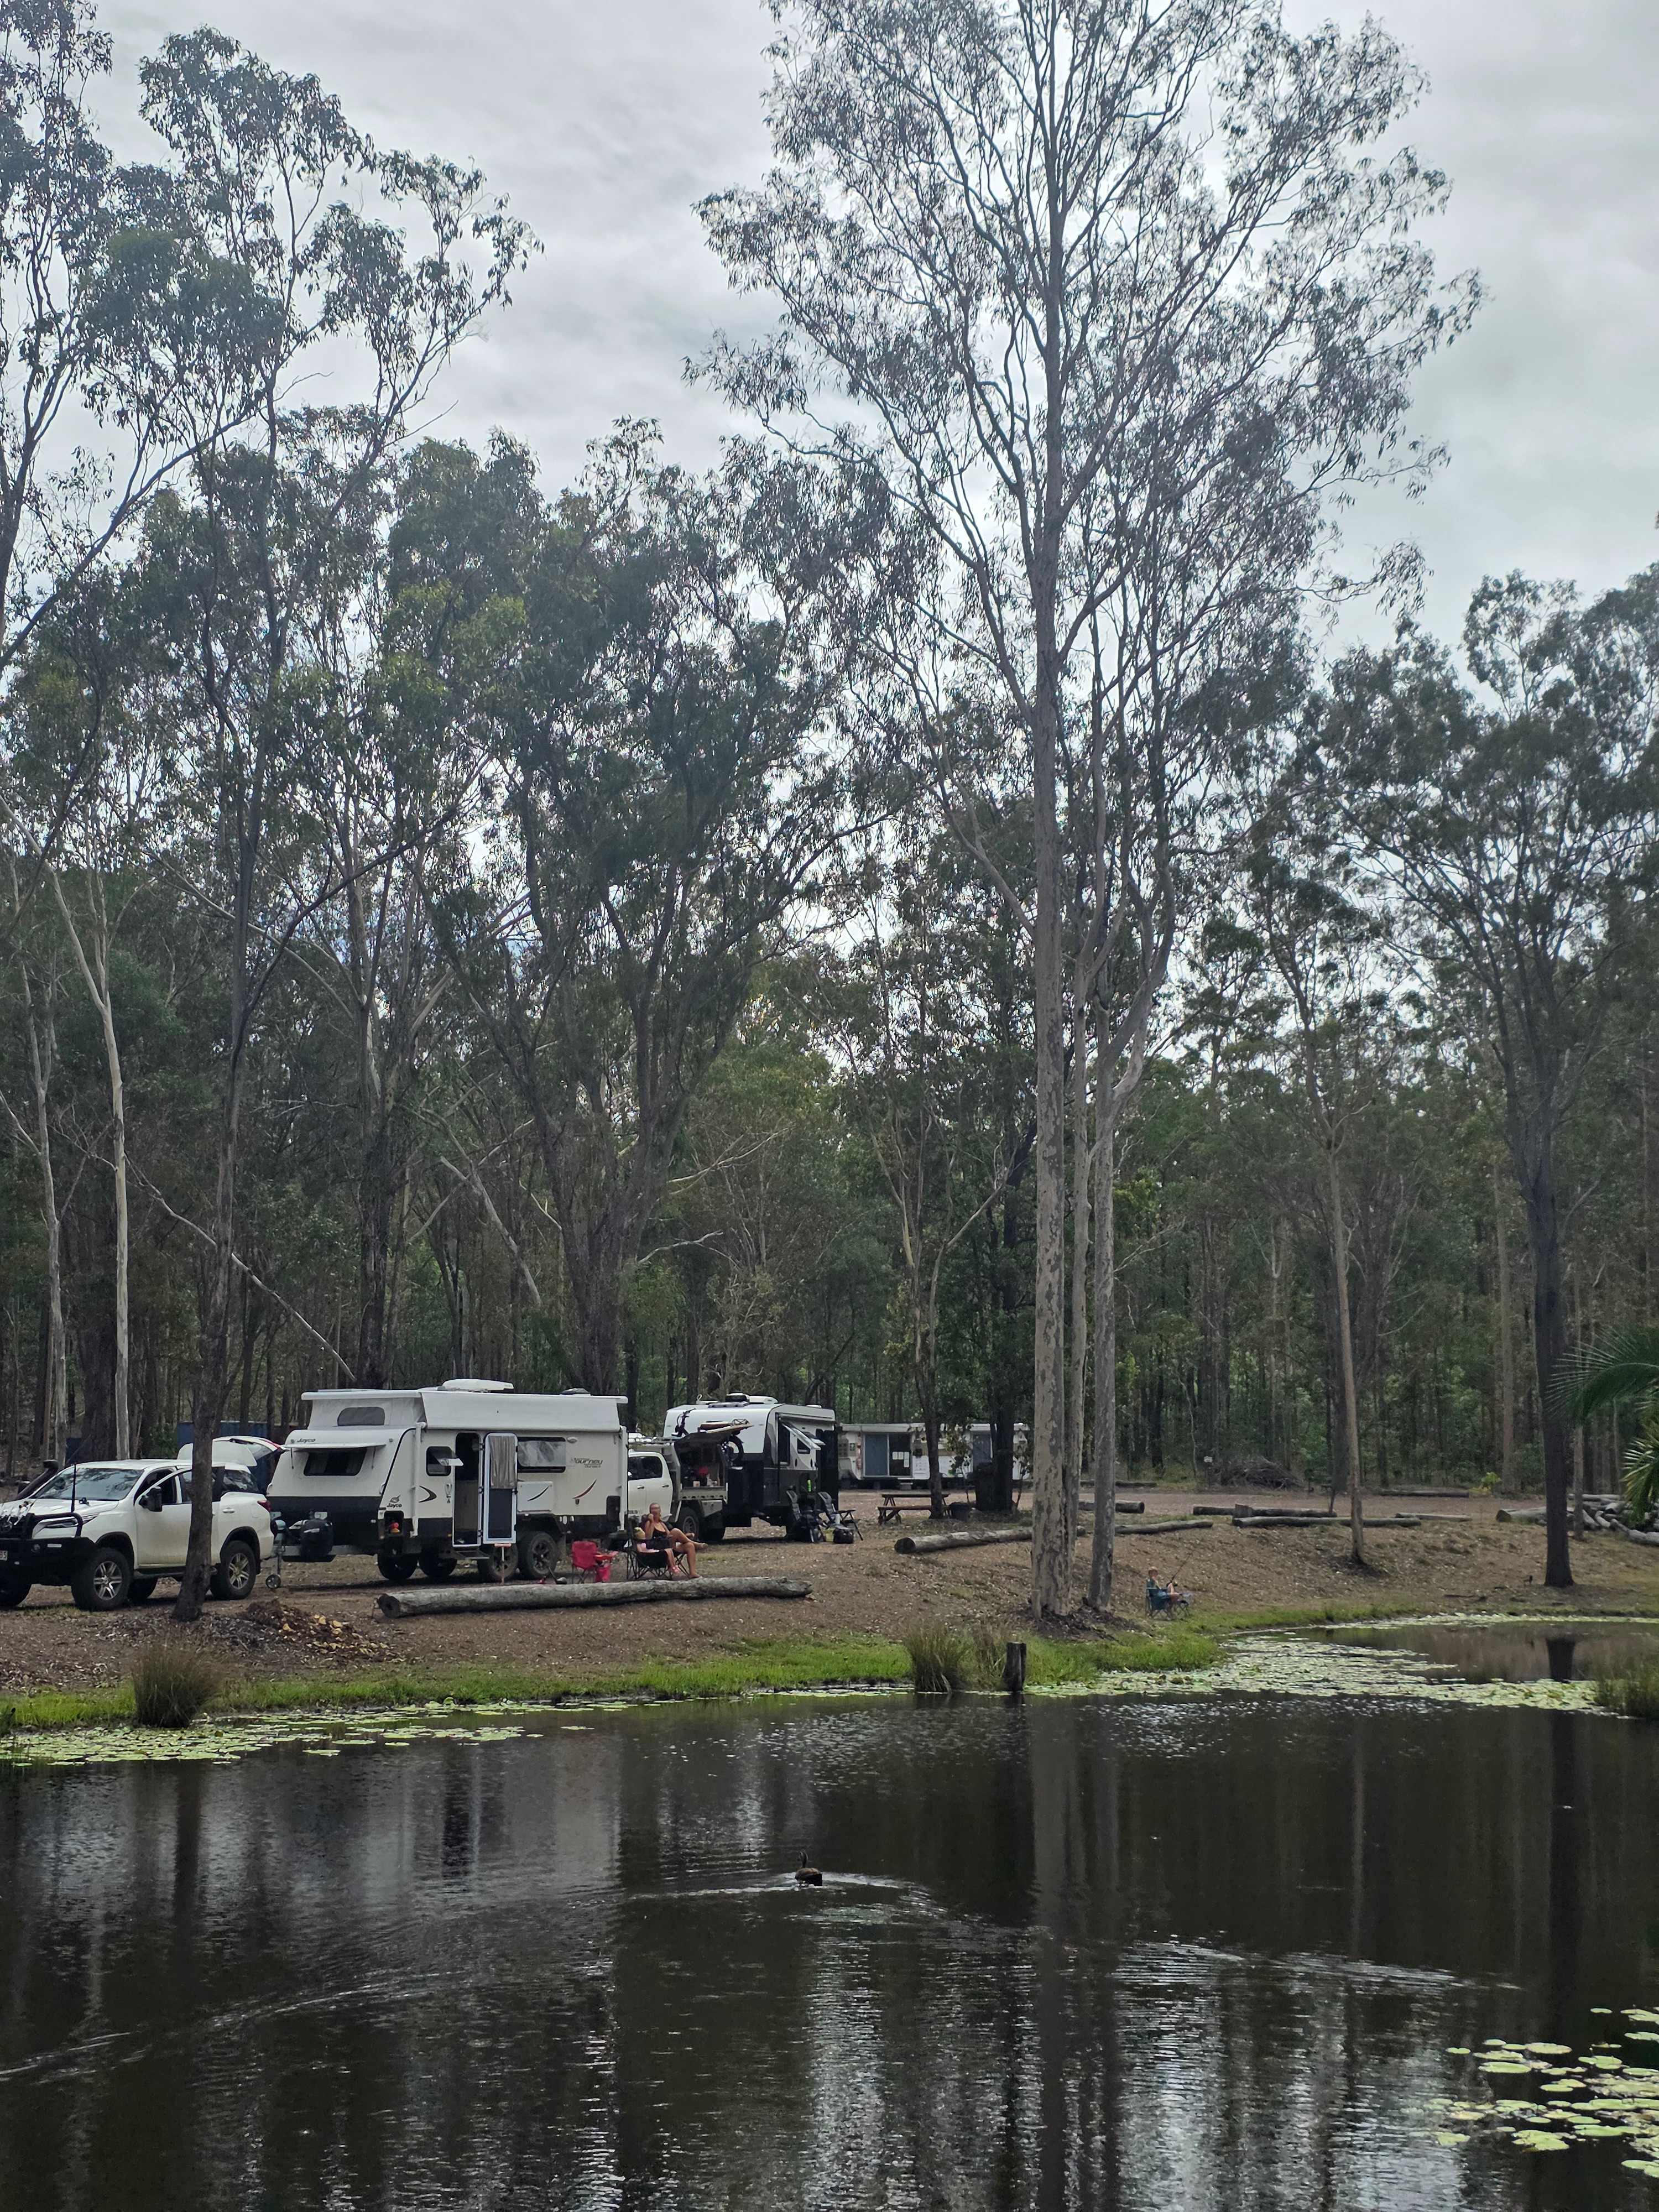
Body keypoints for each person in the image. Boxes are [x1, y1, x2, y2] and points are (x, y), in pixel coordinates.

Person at [637, 1501, 698, 1577]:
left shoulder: (662, 1523)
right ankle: (696, 1544)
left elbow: (670, 1535)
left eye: (657, 1509)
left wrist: (685, 1536)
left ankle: (692, 1572)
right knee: (675, 1531)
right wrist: (652, 1522)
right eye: (653, 1509)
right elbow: (648, 1538)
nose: (655, 1510)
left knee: (690, 1546)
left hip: (669, 1546)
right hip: (658, 1549)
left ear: (660, 1511)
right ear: (650, 1512)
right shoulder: (649, 1523)